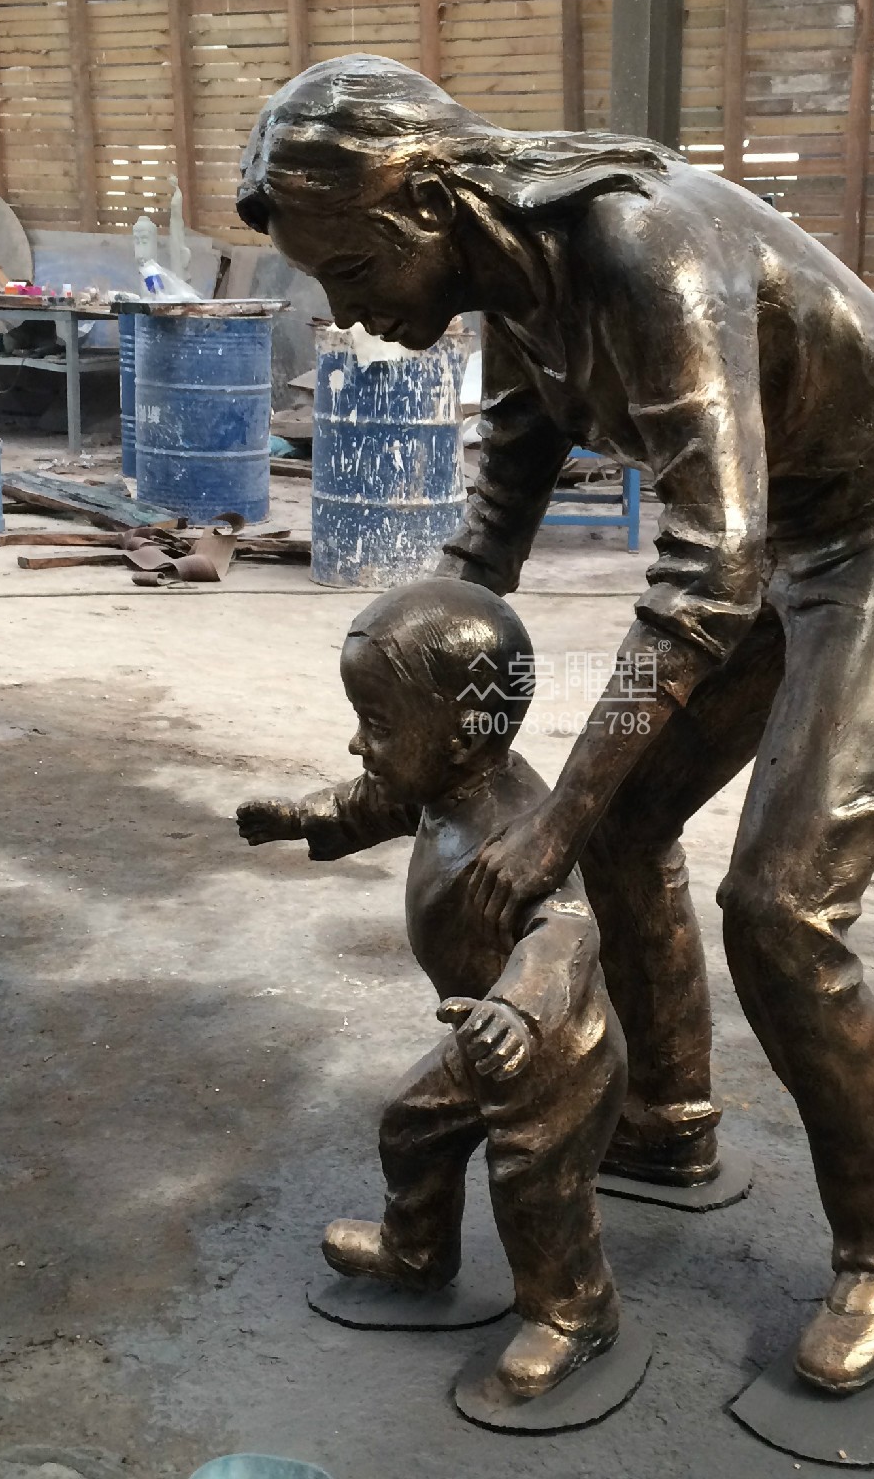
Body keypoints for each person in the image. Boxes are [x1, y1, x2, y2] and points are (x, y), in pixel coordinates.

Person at [237, 56, 874, 1393]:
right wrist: (410, 691)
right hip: (767, 543)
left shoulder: (643, 248)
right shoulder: (511, 279)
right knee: (627, 822)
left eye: (350, 270)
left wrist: (551, 819)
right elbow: (496, 518)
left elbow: (706, 576)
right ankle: (667, 1113)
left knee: (782, 905)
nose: (346, 312)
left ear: (427, 208)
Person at [236, 579, 628, 1400]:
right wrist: (305, 817)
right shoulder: (443, 786)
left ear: (459, 734)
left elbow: (564, 930)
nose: (357, 743)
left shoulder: (521, 832)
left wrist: (516, 1011)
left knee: (536, 1190)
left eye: (377, 724)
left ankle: (573, 1312)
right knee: (413, 1127)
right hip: (479, 1037)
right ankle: (416, 1251)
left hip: (552, 1054)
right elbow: (374, 801)